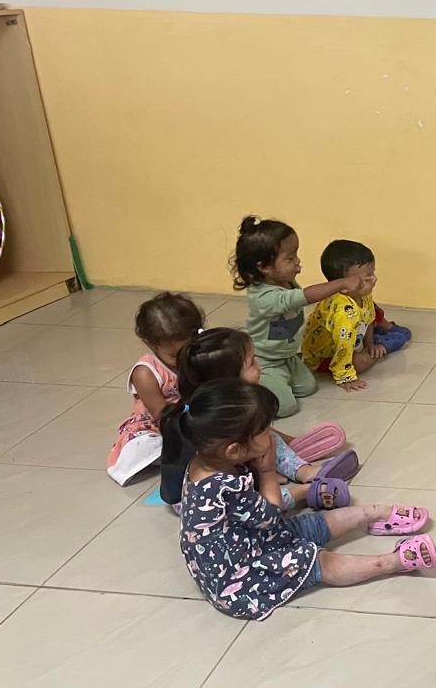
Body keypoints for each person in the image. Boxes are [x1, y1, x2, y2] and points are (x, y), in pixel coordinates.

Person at [168, 378, 436, 621]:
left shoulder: (203, 463)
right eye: (266, 431)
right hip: (241, 579)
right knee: (318, 561)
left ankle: (374, 514)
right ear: (234, 450)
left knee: (307, 525)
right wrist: (267, 471)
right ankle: (390, 562)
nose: (272, 435)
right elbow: (271, 514)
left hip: (251, 540)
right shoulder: (225, 486)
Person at [159, 328, 360, 512]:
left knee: (264, 436)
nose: (259, 367)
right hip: (202, 499)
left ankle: (304, 471)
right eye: (252, 362)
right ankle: (305, 492)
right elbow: (230, 491)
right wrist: (264, 475)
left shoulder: (226, 406)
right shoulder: (211, 421)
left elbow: (259, 435)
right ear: (228, 380)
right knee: (258, 499)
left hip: (233, 468)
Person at [232, 216, 369, 417]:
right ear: (264, 267)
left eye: (296, 254)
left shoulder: (285, 282)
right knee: (286, 407)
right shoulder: (263, 297)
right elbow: (306, 296)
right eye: (290, 258)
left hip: (287, 356)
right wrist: (342, 282)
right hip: (266, 360)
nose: (297, 261)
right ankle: (244, 386)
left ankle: (278, 380)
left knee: (308, 387)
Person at [108, 292, 203, 485]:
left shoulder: (198, 354)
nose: (183, 358)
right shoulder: (145, 373)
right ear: (151, 344)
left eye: (188, 349)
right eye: (175, 355)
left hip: (196, 416)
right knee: (144, 446)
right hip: (161, 425)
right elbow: (163, 416)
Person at [301, 239, 411, 393]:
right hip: (326, 358)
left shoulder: (363, 295)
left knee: (369, 330)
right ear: (344, 287)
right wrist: (346, 378)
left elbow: (369, 319)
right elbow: (343, 348)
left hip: (352, 339)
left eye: (373, 273)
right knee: (360, 362)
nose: (375, 279)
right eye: (367, 278)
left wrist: (370, 344)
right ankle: (385, 345)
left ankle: (375, 340)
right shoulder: (344, 314)